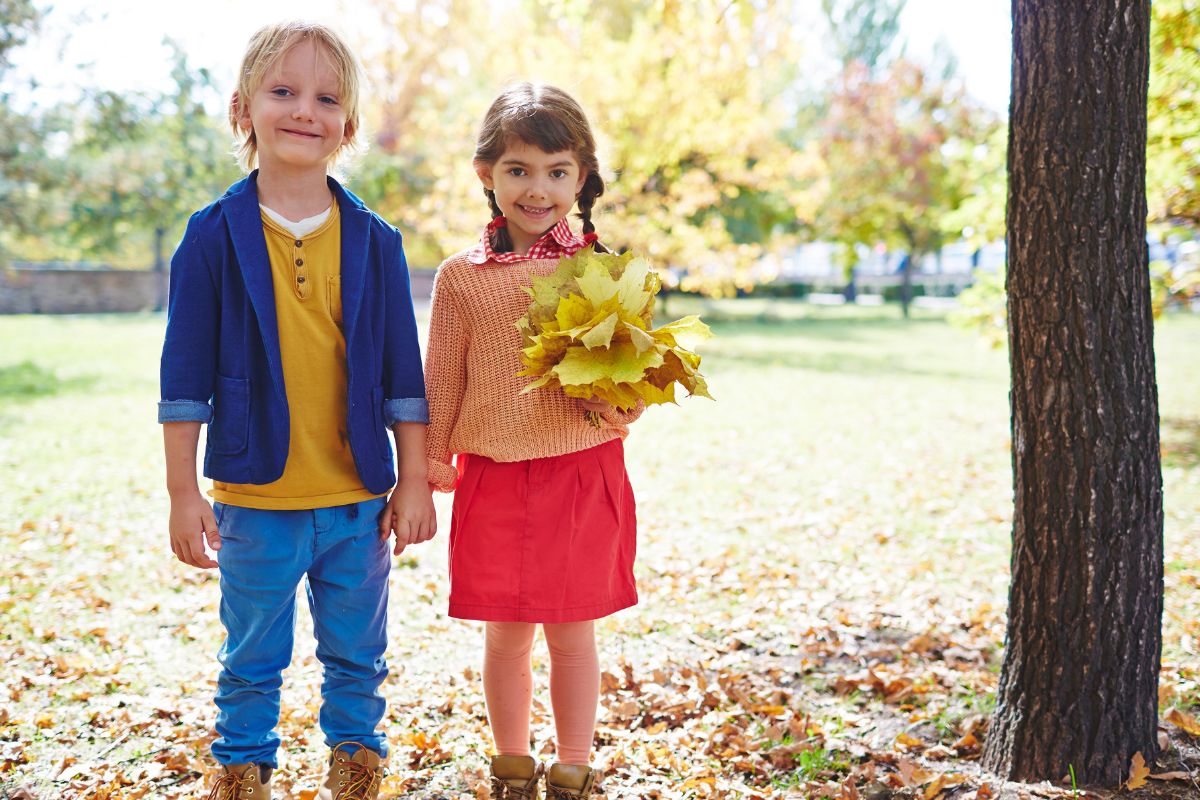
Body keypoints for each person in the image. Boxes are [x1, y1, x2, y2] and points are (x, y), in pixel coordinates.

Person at [157, 21, 434, 800]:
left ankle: (358, 759)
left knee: (358, 652)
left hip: (356, 498)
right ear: (243, 107)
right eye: (283, 91)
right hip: (255, 497)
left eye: (326, 97)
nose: (303, 110)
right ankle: (243, 767)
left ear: (348, 124)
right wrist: (184, 493)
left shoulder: (377, 242)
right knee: (251, 653)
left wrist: (413, 480)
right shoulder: (211, 237)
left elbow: (402, 379)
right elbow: (183, 384)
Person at [424, 83, 643, 800]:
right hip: (493, 474)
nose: (537, 188)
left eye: (556, 171)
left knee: (572, 632)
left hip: (581, 471)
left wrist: (621, 406)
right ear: (486, 174)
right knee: (507, 633)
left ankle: (573, 765)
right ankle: (512, 762)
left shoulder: (600, 271)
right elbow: (441, 379)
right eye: (518, 169)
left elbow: (629, 378)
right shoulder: (461, 279)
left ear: (581, 177)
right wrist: (426, 466)